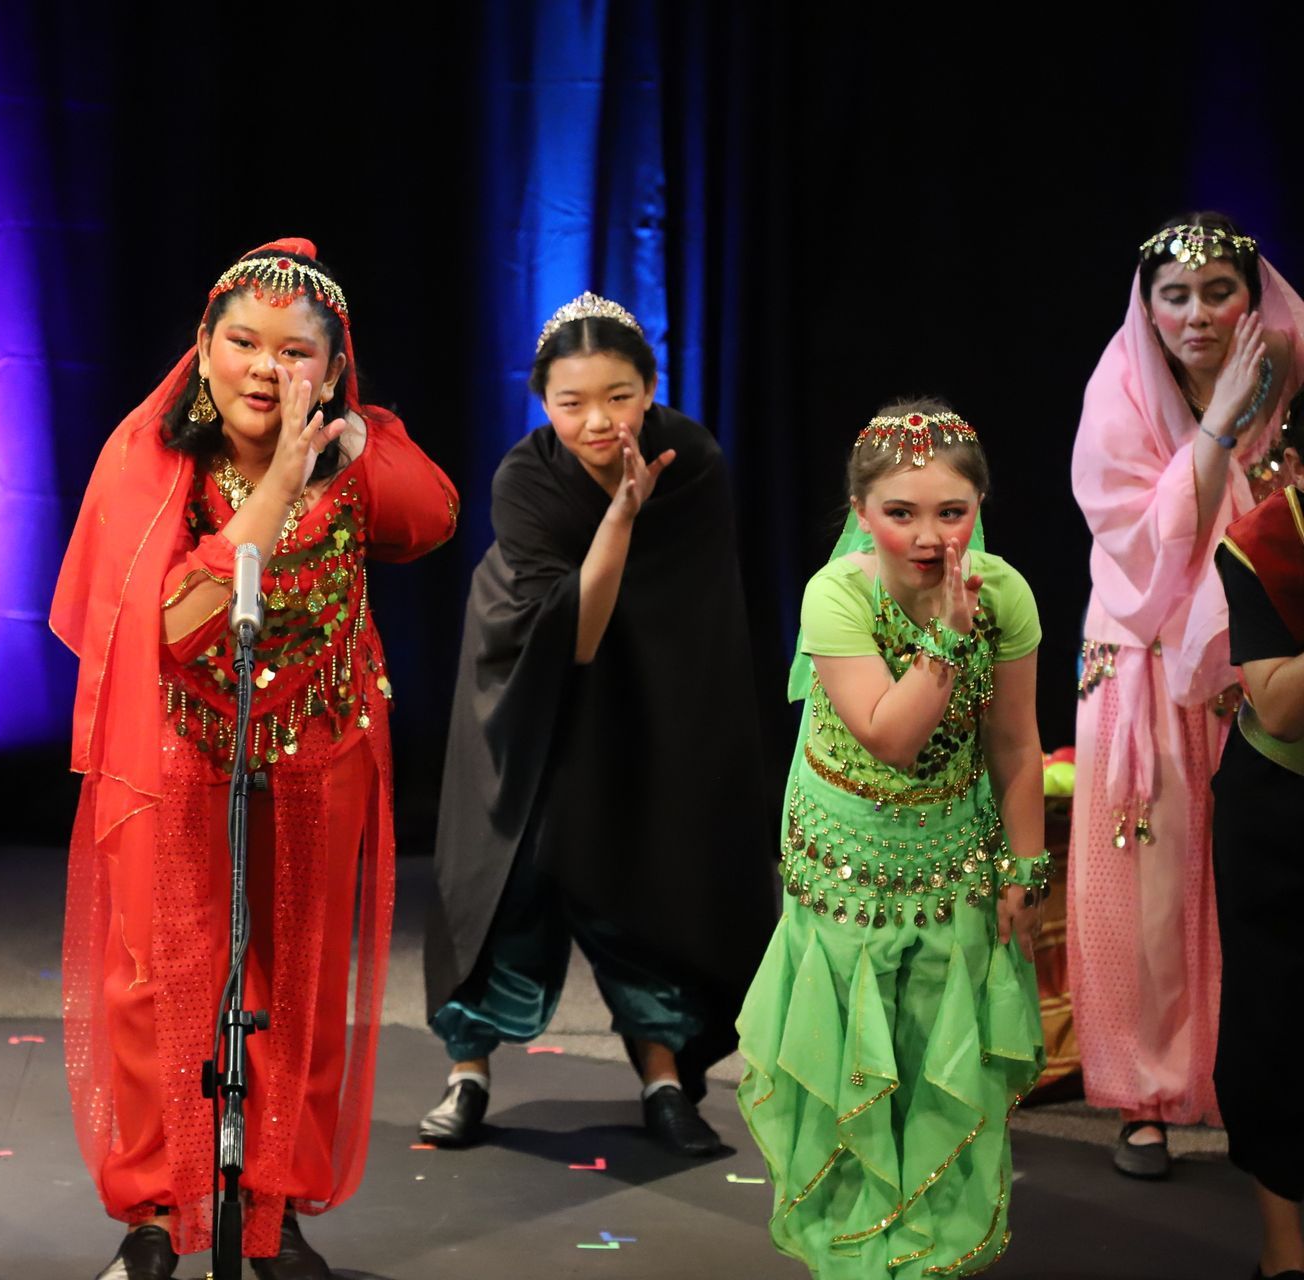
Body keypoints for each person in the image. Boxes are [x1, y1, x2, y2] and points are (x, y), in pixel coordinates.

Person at [52, 239, 458, 1280]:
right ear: (201, 346)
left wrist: (350, 437)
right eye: (242, 341)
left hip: (319, 749)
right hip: (179, 752)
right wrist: (276, 487)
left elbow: (434, 515)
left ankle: (271, 1206)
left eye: (295, 350)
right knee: (160, 982)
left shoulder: (357, 453)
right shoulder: (150, 463)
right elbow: (183, 630)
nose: (265, 368)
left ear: (334, 365)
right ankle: (155, 1211)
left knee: (301, 986)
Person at [419, 292, 768, 1155]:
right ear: (544, 403)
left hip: (647, 686)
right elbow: (569, 636)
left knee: (642, 866)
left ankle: (662, 1078)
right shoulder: (525, 478)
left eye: (618, 396)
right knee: (512, 869)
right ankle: (468, 1073)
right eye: (571, 403)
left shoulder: (693, 463)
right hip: (525, 670)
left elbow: (694, 615)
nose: (598, 421)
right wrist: (618, 514)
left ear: (649, 391)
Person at [735, 403, 1048, 1278]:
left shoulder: (1007, 593)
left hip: (955, 857)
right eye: (900, 513)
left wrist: (1028, 863)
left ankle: (934, 1260)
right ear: (860, 513)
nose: (928, 536)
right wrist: (948, 634)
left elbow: (1017, 743)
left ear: (979, 508)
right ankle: (857, 1259)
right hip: (848, 863)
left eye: (951, 512)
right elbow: (889, 734)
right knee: (854, 1079)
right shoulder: (835, 594)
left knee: (941, 1069)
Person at [1068, 214, 1304, 1179]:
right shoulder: (1121, 393)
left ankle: (1239, 1078)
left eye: (1219, 292)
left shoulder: (1291, 384)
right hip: (1150, 661)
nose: (1199, 314)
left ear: (1252, 297)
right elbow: (1138, 552)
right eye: (1177, 295)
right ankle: (1146, 1097)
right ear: (1148, 304)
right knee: (1151, 891)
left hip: (1265, 670)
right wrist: (1219, 427)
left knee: (1249, 882)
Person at [1211, 477, 1304, 1280]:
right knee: (1277, 1026)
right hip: (1282, 815)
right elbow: (1278, 706)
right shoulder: (1259, 543)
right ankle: (1285, 1253)